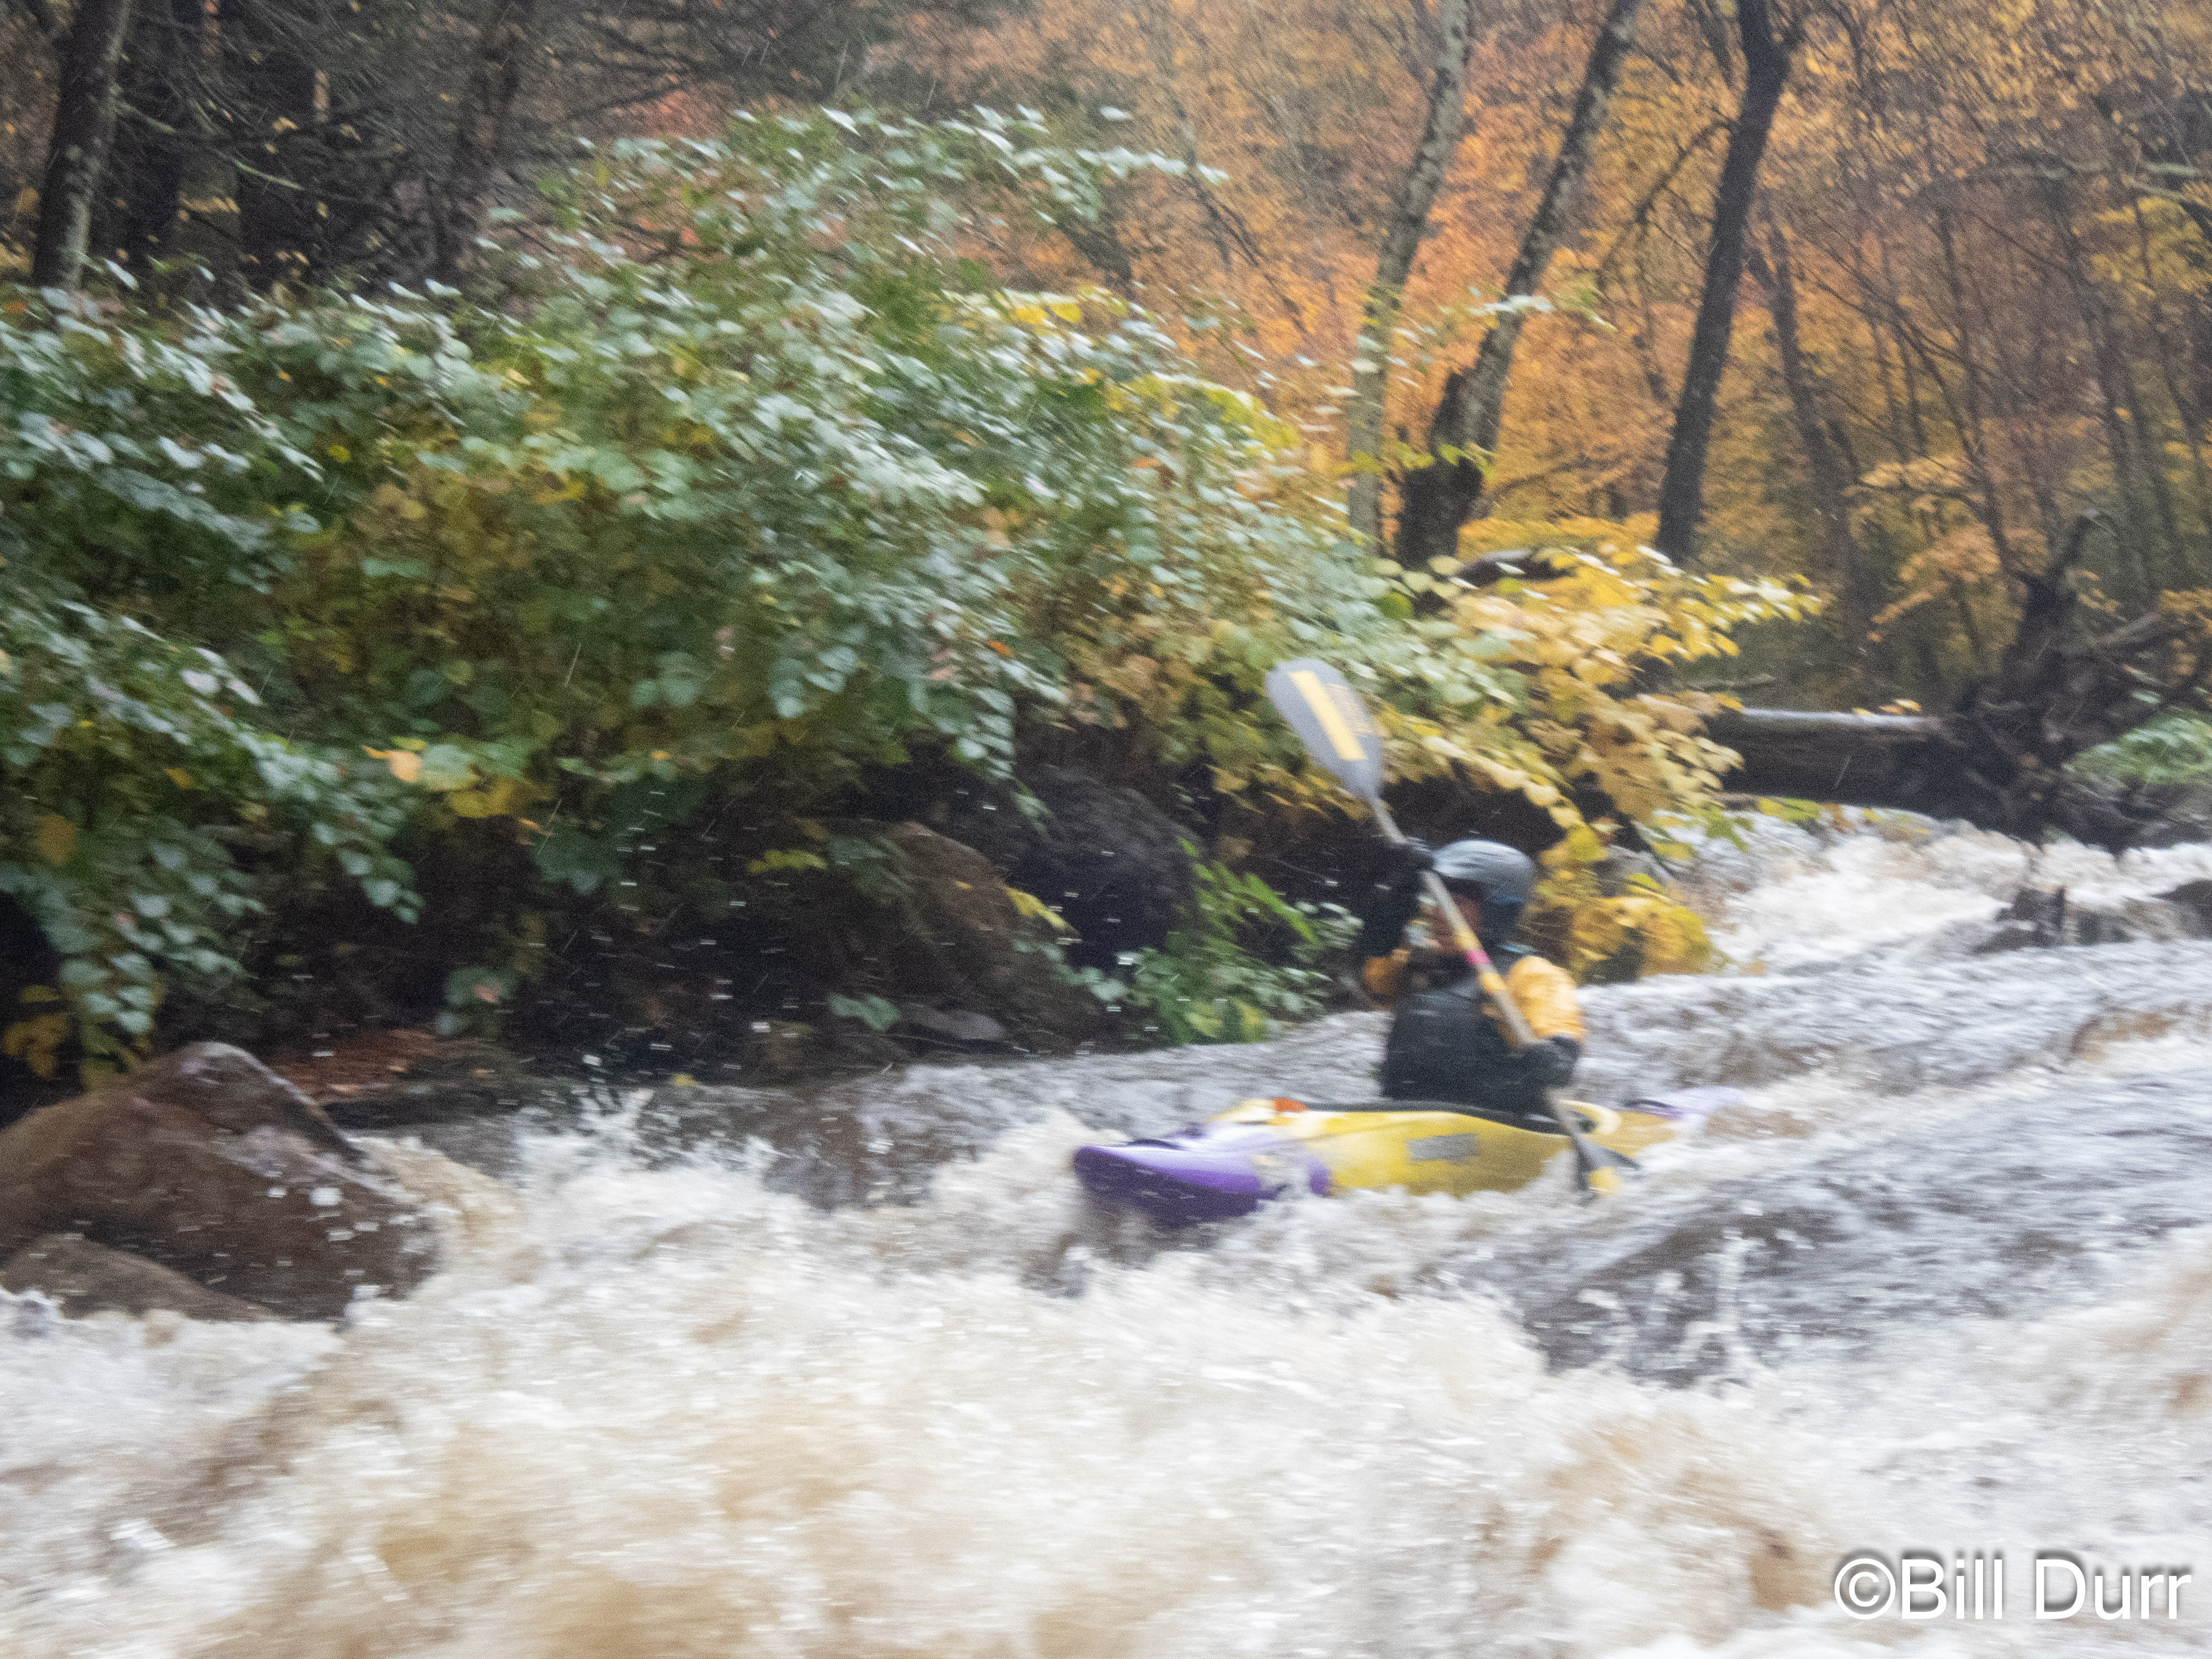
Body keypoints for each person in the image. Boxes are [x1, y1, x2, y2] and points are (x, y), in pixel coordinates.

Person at [1354, 837, 1583, 1120]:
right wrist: (1397, 901)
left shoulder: (1532, 974)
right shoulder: (1418, 963)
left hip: (1494, 1125)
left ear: (1496, 914)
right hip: (1405, 1119)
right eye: (1437, 901)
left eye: (1457, 904)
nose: (1438, 914)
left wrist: (1555, 1058)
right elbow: (1374, 978)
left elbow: (1563, 1048)